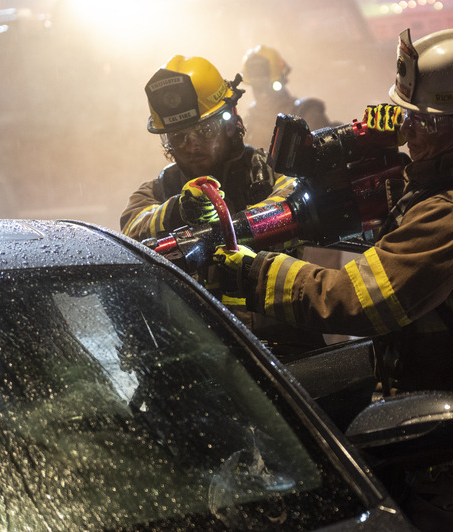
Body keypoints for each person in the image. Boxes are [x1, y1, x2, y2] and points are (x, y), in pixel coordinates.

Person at [212, 28, 453, 531]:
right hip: (451, 409)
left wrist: (255, 273)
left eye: (424, 122)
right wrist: (357, 146)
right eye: (407, 117)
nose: (409, 133)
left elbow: (354, 300)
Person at [120, 55, 322, 355]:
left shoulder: (270, 174)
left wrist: (225, 227)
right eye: (178, 137)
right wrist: (179, 210)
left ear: (230, 121)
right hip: (199, 354)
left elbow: (294, 204)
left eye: (204, 131)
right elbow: (132, 229)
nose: (192, 145)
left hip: (285, 347)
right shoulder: (160, 190)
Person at [240, 45, 339, 150]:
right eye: (257, 88)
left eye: (267, 87)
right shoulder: (248, 121)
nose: (262, 93)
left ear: (282, 81)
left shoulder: (305, 113)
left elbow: (327, 152)